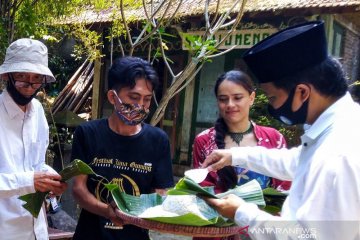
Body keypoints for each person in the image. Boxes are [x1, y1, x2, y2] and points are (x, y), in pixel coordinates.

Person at [201, 21, 360, 240]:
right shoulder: (338, 128)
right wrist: (235, 155)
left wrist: (243, 213)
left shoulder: (339, 153)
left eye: (273, 97)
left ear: (302, 92)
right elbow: (295, 161)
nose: (272, 106)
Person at [71, 56, 175, 240]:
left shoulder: (158, 140)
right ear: (112, 96)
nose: (141, 106)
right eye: (134, 97)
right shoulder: (87, 133)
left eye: (147, 99)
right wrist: (107, 211)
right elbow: (78, 189)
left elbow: (161, 194)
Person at [192, 70, 290, 240]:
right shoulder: (204, 141)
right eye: (223, 99)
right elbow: (201, 190)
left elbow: (284, 190)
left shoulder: (274, 139)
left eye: (237, 98)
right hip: (216, 232)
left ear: (251, 98)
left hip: (260, 229)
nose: (230, 104)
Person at [0, 38, 67, 240]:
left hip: (36, 228)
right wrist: (30, 181)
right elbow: (30, 177)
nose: (29, 85)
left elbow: (35, 163)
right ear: (7, 76)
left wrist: (51, 178)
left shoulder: (37, 110)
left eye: (36, 78)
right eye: (21, 76)